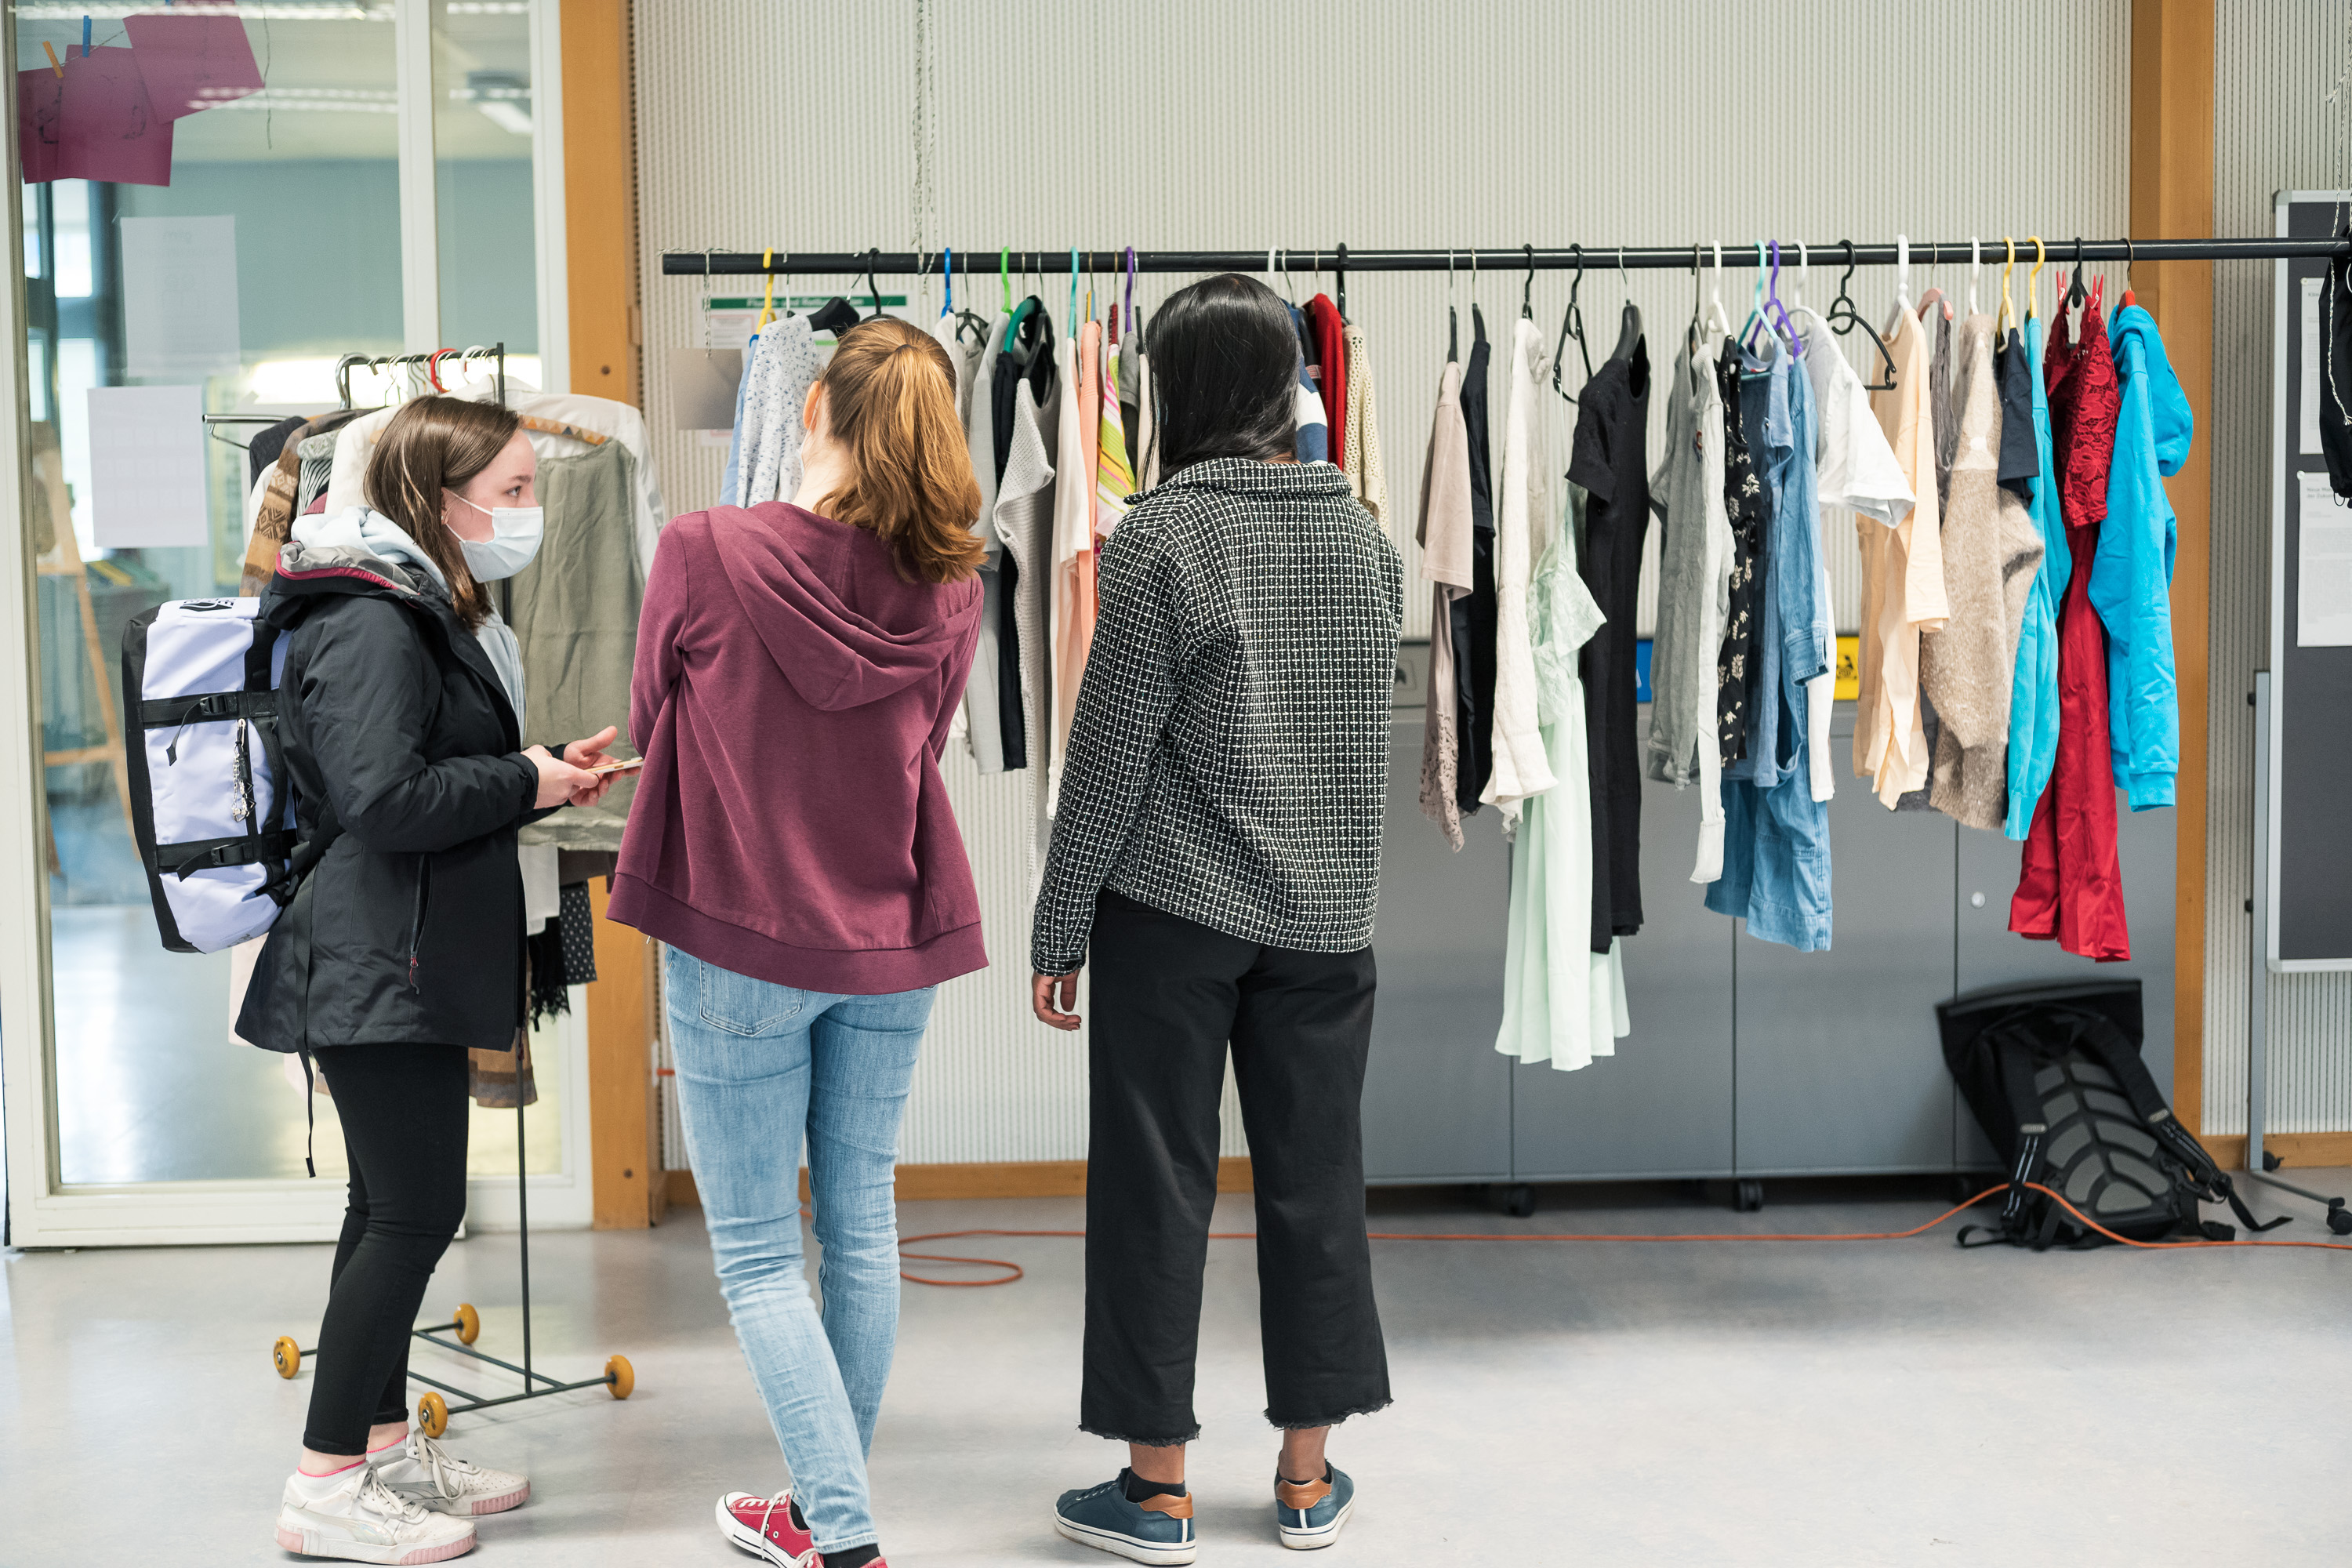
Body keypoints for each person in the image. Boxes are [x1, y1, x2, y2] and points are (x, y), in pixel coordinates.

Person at [1030, 273, 1404, 1563]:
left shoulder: (1161, 538)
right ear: (1284, 386)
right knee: (1318, 1187)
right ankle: (1305, 1481)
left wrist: (1060, 925)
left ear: (1176, 391)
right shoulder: (1364, 537)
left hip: (1174, 917)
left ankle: (1157, 1493)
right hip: (1326, 922)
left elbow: (1107, 757)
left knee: (1157, 1188)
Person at [610, 315, 989, 1568]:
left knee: (762, 1254)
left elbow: (649, 719)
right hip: (889, 932)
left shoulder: (703, 549)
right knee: (862, 1225)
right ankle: (825, 1513)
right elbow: (926, 738)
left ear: (812, 406)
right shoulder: (954, 589)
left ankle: (843, 1534)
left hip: (739, 935)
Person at [242, 395, 619, 1563]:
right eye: (513, 491)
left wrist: (535, 772)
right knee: (414, 1213)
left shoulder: (416, 606)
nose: (530, 510)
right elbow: (383, 800)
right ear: (438, 499)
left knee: (385, 1209)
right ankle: (323, 1485)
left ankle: (383, 1449)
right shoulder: (371, 619)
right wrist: (526, 780)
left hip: (393, 952)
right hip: (376, 959)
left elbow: (419, 777)